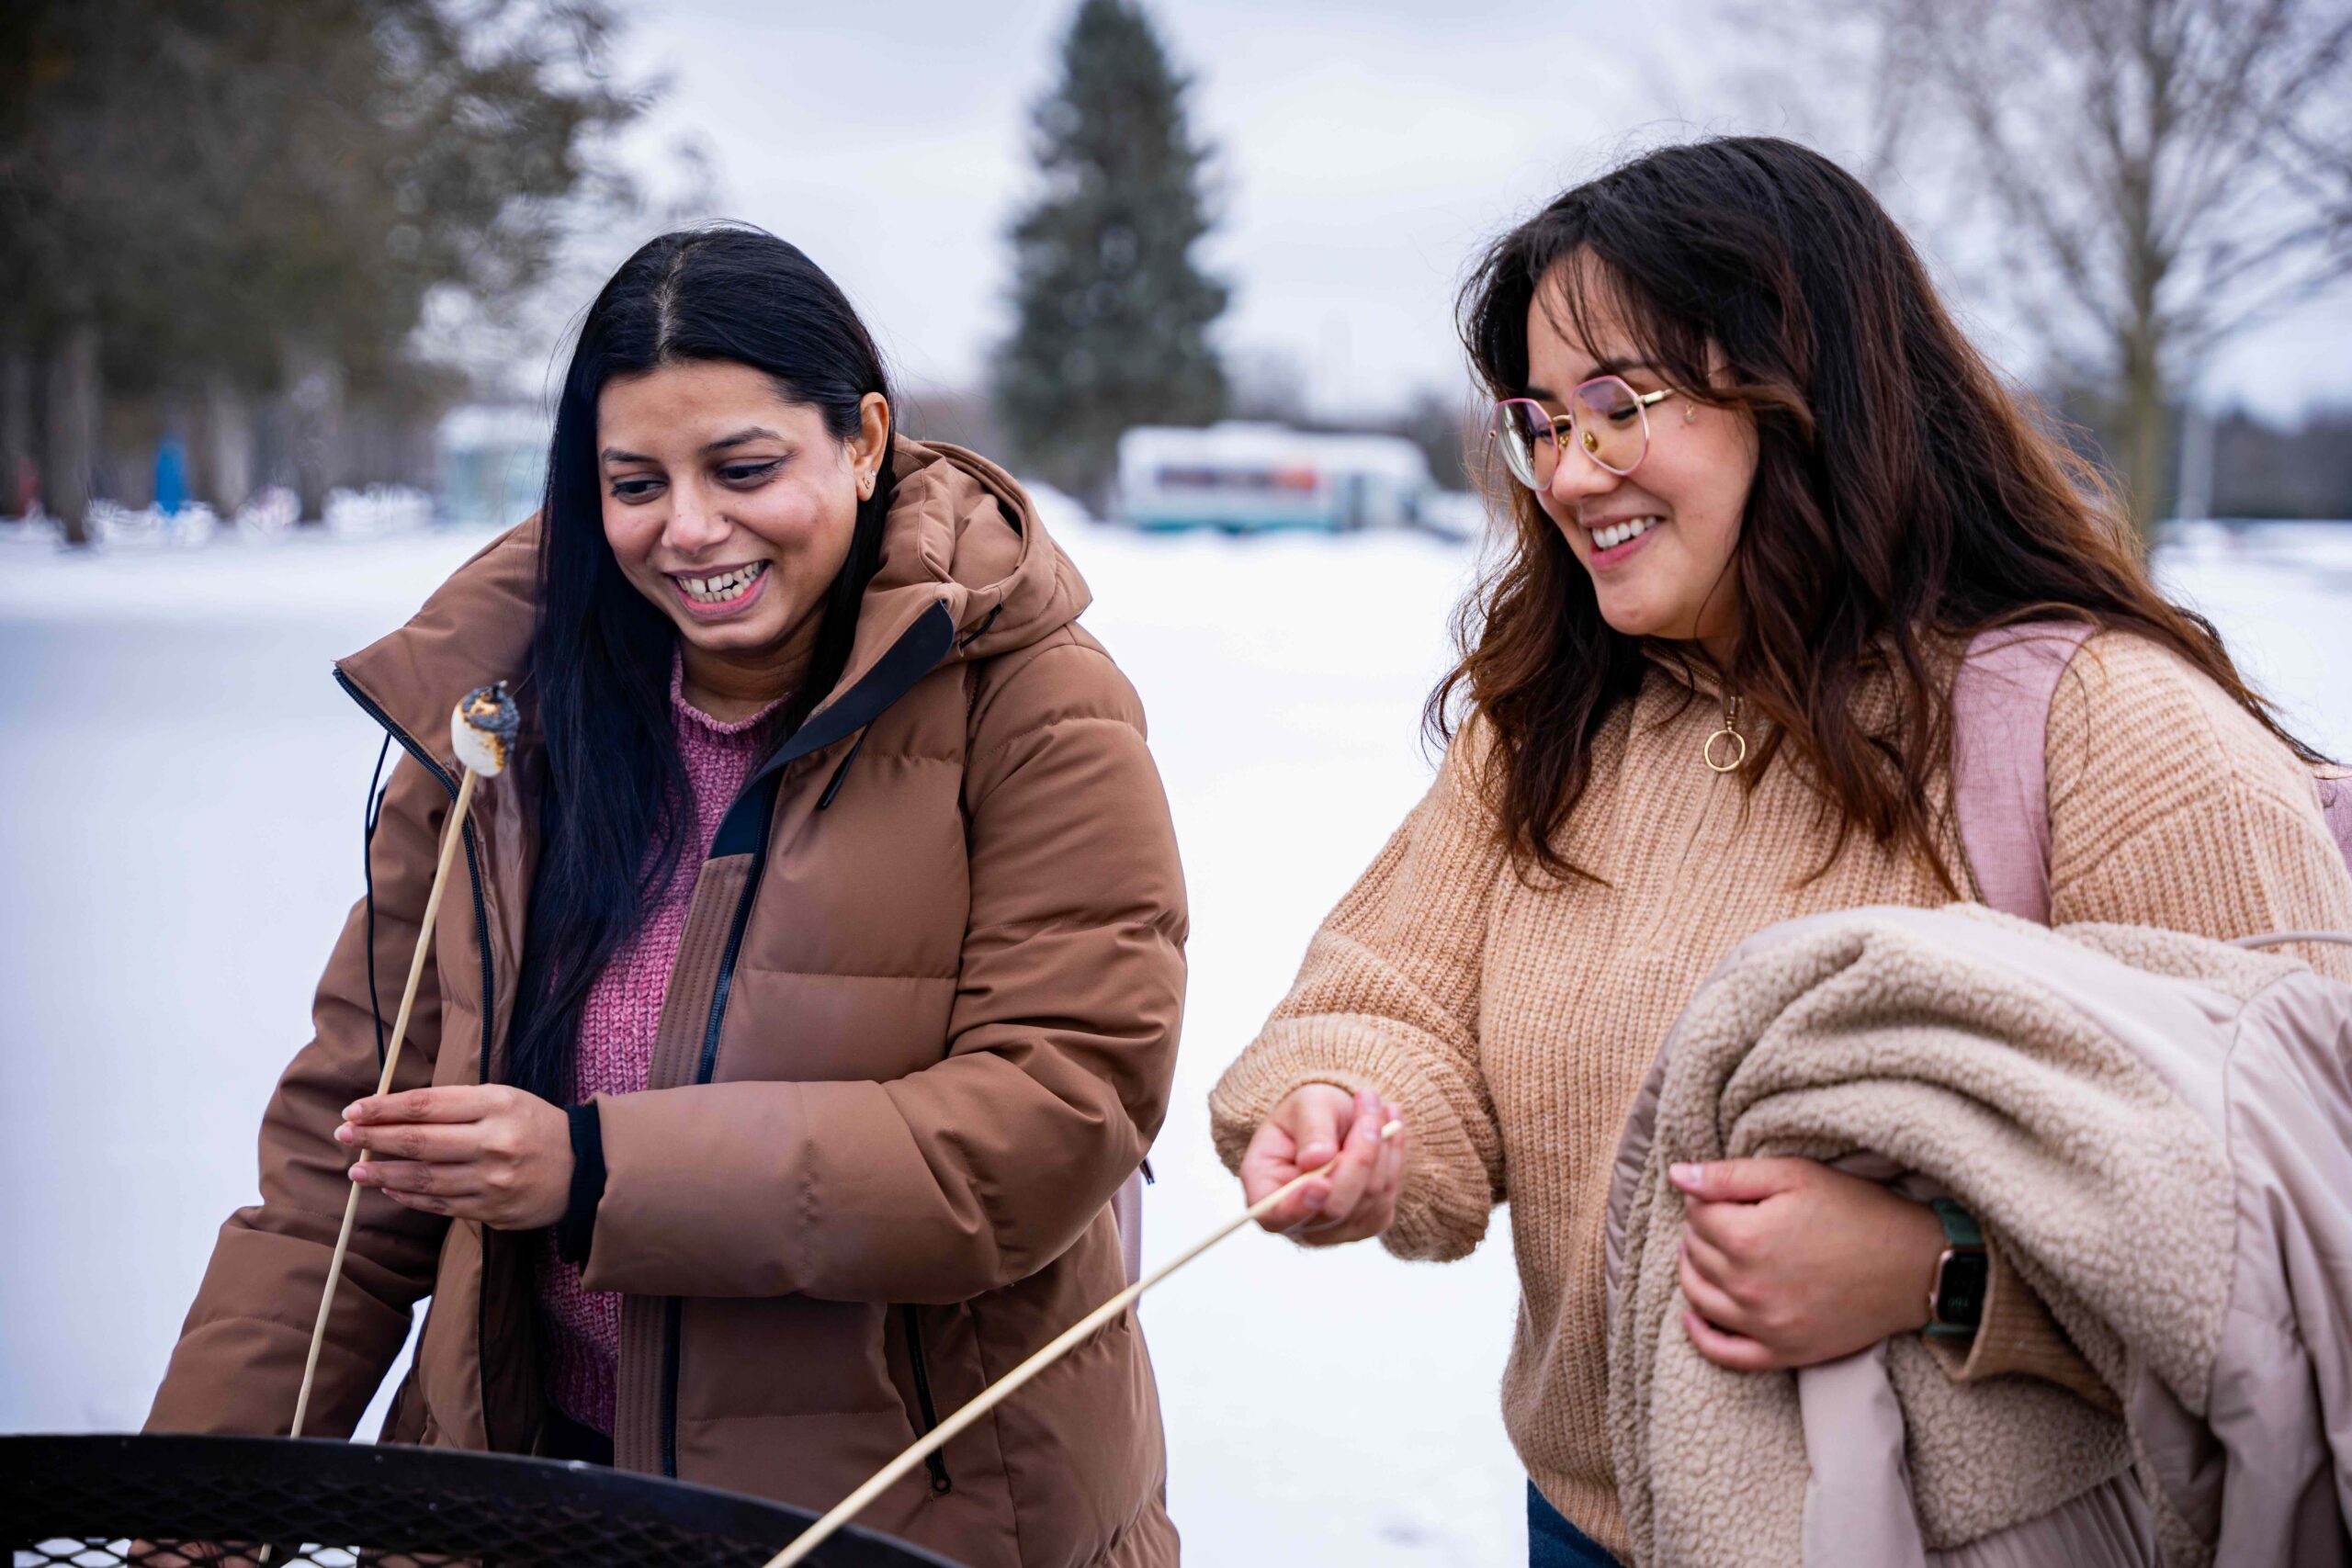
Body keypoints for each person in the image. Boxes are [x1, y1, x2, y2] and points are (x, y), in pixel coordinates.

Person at [1208, 137, 2352, 1568]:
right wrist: (1346, 1106)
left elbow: (2304, 1239)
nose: (1568, 475)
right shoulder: (1556, 726)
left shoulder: (2110, 730)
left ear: (1806, 396)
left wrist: (1944, 1277)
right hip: (1579, 1529)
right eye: (1541, 421)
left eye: (1620, 408)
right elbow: (1392, 997)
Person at [148, 225, 1186, 1568]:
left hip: (907, 1522)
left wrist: (592, 1171)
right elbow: (341, 1169)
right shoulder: (500, 723)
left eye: (744, 469)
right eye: (634, 483)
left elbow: (1058, 1114)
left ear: (863, 441)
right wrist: (192, 1517)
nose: (690, 529)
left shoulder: (1033, 701)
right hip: (521, 1508)